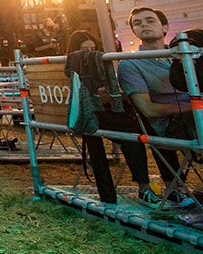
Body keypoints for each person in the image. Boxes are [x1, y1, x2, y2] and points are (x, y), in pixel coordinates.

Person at [117, 7, 203, 207]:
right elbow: (148, 110)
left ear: (164, 27)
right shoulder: (130, 64)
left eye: (149, 20)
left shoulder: (182, 55)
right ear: (135, 32)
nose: (143, 24)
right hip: (171, 126)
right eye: (137, 23)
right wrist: (196, 107)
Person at [65, 30, 159, 206]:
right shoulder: (75, 69)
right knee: (132, 132)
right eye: (85, 49)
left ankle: (153, 187)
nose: (91, 54)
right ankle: (144, 188)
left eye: (93, 49)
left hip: (97, 113)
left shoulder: (88, 66)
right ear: (75, 51)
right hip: (89, 115)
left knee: (138, 127)